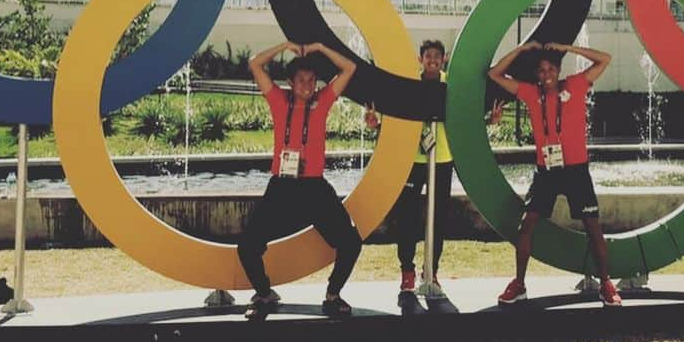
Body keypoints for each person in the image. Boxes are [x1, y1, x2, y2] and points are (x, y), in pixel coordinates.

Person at [487, 39, 622, 307]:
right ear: (536, 75)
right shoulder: (530, 93)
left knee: (593, 228)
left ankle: (606, 283)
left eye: (551, 69)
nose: (546, 74)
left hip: (576, 171)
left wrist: (569, 49)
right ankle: (519, 284)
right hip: (546, 171)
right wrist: (521, 50)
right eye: (541, 70)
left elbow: (605, 57)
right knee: (525, 226)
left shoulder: (575, 84)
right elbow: (494, 74)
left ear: (559, 70)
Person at [366, 39, 504, 293]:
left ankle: (432, 271)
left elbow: (464, 118)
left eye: (437, 57)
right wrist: (377, 125)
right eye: (428, 56)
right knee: (406, 216)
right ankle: (407, 270)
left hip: (442, 160)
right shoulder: (410, 84)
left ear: (443, 60)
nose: (432, 60)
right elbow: (398, 119)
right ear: (420, 59)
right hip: (412, 160)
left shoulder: (451, 84)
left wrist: (489, 121)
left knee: (438, 218)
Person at [239, 39, 361, 320]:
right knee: (247, 247)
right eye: (300, 79)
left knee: (351, 243)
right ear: (291, 83)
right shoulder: (279, 100)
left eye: (311, 79)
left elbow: (349, 68)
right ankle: (264, 293)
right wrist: (283, 46)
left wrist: (319, 47)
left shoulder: (322, 101)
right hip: (282, 185)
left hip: (314, 188)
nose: (307, 84)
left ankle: (333, 295)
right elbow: (255, 63)